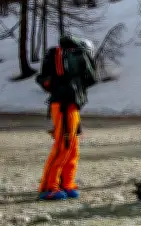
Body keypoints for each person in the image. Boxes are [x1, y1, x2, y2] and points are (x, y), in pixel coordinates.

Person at [35, 35, 99, 201]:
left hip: (71, 106)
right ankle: (49, 187)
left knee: (72, 148)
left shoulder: (72, 66)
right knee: (62, 147)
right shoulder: (74, 62)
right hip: (63, 106)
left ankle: (66, 183)